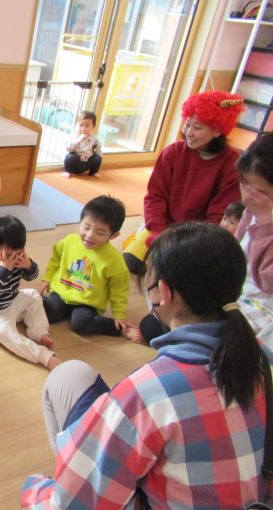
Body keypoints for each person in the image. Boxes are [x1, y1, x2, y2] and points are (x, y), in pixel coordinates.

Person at [21, 222, 272, 509]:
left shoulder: (149, 391)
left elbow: (69, 505)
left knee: (68, 375)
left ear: (163, 292)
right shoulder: (260, 355)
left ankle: (71, 470)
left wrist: (33, 489)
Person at [123, 90, 244, 274]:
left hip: (197, 236)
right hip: (163, 226)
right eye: (187, 124)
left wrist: (189, 241)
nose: (188, 133)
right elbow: (155, 196)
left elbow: (220, 214)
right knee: (133, 261)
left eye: (197, 128)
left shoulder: (231, 163)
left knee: (179, 273)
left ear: (218, 130)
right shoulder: (173, 152)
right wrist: (159, 230)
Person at [41, 195, 140, 342]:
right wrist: (48, 278)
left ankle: (118, 329)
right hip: (62, 292)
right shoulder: (69, 241)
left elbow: (119, 289)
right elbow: (55, 259)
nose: (89, 235)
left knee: (80, 324)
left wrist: (119, 315)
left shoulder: (114, 260)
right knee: (47, 312)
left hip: (87, 303)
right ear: (80, 221)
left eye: (100, 233)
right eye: (86, 227)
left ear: (113, 235)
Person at [0, 215, 61, 370]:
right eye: (9, 255)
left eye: (19, 252)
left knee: (34, 295)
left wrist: (28, 265)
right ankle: (43, 356)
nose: (13, 259)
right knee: (2, 331)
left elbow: (31, 276)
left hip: (10, 301)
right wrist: (2, 270)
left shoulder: (17, 257)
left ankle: (38, 331)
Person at [234, 134, 273, 348]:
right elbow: (235, 251)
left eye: (260, 191)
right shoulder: (254, 207)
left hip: (265, 309)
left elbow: (268, 282)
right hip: (239, 293)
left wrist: (265, 220)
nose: (249, 196)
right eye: (245, 184)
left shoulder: (262, 209)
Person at [63, 111, 102, 178]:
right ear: (76, 125)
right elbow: (68, 148)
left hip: (86, 163)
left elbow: (98, 150)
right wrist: (78, 141)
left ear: (93, 127)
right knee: (70, 157)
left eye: (87, 126)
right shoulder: (74, 136)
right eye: (81, 125)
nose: (83, 128)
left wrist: (98, 158)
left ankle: (93, 172)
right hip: (76, 162)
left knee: (97, 158)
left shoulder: (94, 139)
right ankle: (68, 171)